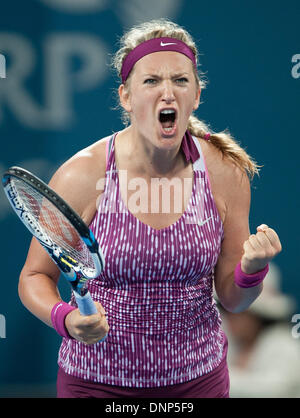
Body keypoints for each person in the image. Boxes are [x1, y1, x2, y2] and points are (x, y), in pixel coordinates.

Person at [18, 19, 282, 398]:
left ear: (197, 94)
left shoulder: (225, 173)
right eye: (151, 81)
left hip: (198, 382)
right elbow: (33, 277)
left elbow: (232, 300)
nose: (167, 93)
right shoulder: (82, 174)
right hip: (95, 384)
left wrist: (251, 272)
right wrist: (67, 319)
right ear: (126, 96)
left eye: (180, 80)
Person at [219, 263, 300, 398]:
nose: (231, 318)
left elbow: (275, 391)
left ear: (258, 316)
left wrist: (213, 379)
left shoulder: (284, 345)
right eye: (228, 311)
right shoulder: (229, 340)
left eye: (240, 312)